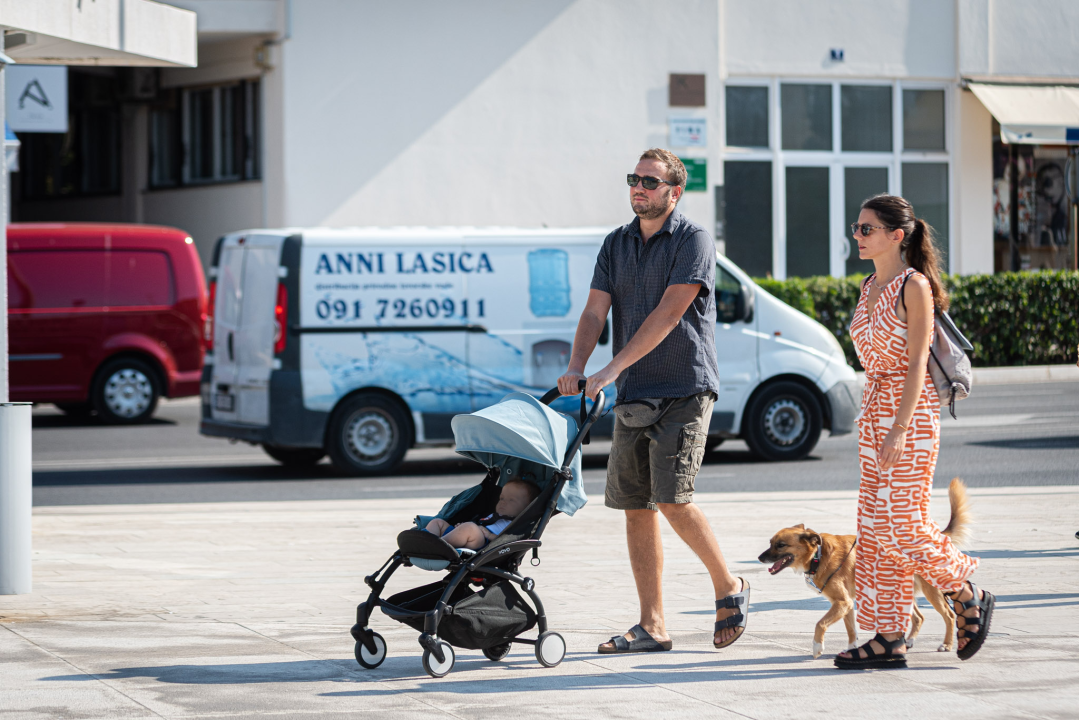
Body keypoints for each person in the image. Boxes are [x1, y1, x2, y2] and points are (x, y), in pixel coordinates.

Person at [557, 148, 748, 655]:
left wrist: (610, 369)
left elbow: (669, 312)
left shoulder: (693, 241)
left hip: (685, 385)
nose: (639, 187)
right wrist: (577, 366)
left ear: (674, 191)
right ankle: (653, 624)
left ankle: (729, 584)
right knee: (635, 507)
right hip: (635, 394)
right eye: (634, 179)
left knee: (672, 497)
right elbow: (595, 312)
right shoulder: (615, 244)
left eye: (650, 181)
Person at [836, 194, 995, 670]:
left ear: (896, 236)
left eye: (867, 229)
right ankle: (889, 636)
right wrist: (878, 425)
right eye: (857, 227)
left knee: (903, 525)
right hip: (874, 412)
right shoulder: (868, 287)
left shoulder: (915, 286)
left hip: (911, 413)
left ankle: (967, 591)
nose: (858, 235)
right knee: (875, 526)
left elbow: (915, 364)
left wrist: (899, 428)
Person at [425, 479, 538, 550]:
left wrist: (489, 535)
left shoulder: (515, 524)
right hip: (471, 535)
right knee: (438, 522)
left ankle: (435, 546)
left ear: (526, 508)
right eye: (502, 498)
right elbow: (477, 525)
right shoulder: (493, 515)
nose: (503, 502)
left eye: (511, 500)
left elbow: (509, 542)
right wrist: (461, 528)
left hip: (484, 545)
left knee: (469, 528)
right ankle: (423, 539)